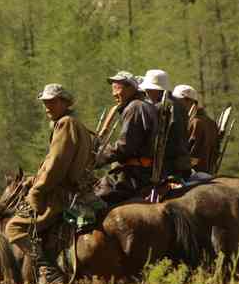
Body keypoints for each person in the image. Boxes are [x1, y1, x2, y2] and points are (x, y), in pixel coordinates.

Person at [5, 84, 93, 284]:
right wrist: (34, 178)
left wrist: (37, 190)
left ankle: (50, 273)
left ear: (64, 102)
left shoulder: (65, 124)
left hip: (60, 195)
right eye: (45, 103)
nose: (47, 107)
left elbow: (56, 164)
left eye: (52, 102)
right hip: (71, 190)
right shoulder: (73, 123)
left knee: (15, 227)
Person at [94, 70, 158, 205]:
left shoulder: (135, 107)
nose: (114, 93)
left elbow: (125, 146)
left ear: (131, 88)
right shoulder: (143, 105)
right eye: (113, 89)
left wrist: (97, 158)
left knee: (94, 201)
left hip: (134, 175)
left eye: (118, 88)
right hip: (142, 171)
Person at [139, 69, 192, 180]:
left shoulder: (161, 107)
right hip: (182, 162)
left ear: (157, 90)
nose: (147, 92)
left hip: (168, 165)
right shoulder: (180, 105)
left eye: (149, 89)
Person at [172, 84, 219, 174]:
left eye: (177, 101)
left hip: (193, 172)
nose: (174, 104)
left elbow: (190, 152)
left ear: (188, 101)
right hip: (206, 171)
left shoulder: (195, 122)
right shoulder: (210, 122)